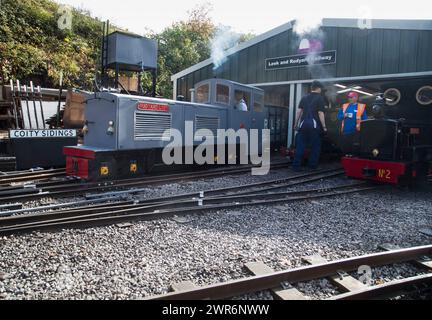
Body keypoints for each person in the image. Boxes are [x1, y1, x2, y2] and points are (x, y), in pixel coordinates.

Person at [292, 80, 328, 171]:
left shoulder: (304, 98)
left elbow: (299, 112)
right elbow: (320, 113)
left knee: (300, 146)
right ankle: (312, 166)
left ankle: (296, 166)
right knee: (315, 146)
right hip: (314, 127)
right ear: (318, 88)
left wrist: (296, 124)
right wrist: (324, 127)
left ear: (312, 88)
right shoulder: (320, 98)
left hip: (303, 126)